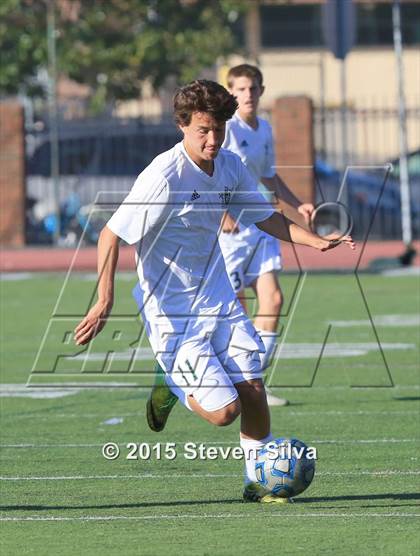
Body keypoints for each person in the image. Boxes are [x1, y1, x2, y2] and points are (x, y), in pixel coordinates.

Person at [74, 80, 354, 503]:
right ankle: (168, 382)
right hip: (171, 312)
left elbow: (264, 216)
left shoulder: (229, 166)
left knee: (253, 390)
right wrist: (104, 300)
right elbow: (110, 236)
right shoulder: (164, 175)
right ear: (183, 126)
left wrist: (315, 241)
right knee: (225, 412)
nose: (212, 139)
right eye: (202, 130)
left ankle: (257, 479)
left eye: (218, 128)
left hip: (218, 300)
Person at [219, 64, 315, 406]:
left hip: (260, 223)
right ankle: (205, 378)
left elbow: (269, 177)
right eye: (240, 89)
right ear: (231, 93)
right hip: (230, 234)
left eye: (253, 89)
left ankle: (253, 386)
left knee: (273, 300)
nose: (247, 95)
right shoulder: (225, 129)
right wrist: (223, 212)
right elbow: (212, 173)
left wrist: (297, 204)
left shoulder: (264, 129)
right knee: (231, 311)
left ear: (261, 91)